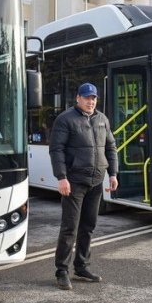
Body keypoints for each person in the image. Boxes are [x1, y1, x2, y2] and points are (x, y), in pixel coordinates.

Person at [49, 82, 118, 290]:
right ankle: (62, 271)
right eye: (87, 98)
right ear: (78, 98)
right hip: (74, 182)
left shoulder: (102, 119)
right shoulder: (65, 119)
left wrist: (113, 173)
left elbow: (111, 147)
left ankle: (81, 266)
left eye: (94, 98)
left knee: (88, 226)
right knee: (70, 227)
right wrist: (61, 177)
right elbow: (57, 150)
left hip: (95, 182)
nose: (91, 101)